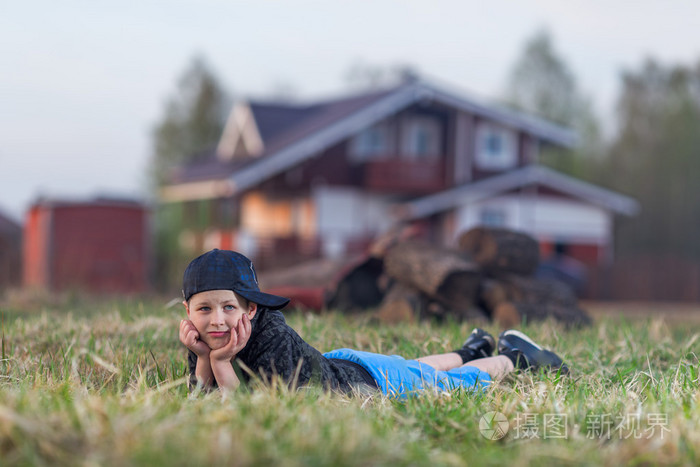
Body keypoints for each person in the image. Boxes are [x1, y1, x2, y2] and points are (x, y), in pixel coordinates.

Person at [179, 249, 568, 397]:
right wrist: (203, 358)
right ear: (187, 310)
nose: (217, 321)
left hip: (364, 383)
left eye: (228, 307)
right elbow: (200, 399)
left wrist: (220, 363)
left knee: (449, 386)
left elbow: (246, 411)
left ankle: (516, 358)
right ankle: (470, 350)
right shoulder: (204, 339)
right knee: (414, 369)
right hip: (342, 364)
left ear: (250, 309)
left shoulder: (271, 334)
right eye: (205, 309)